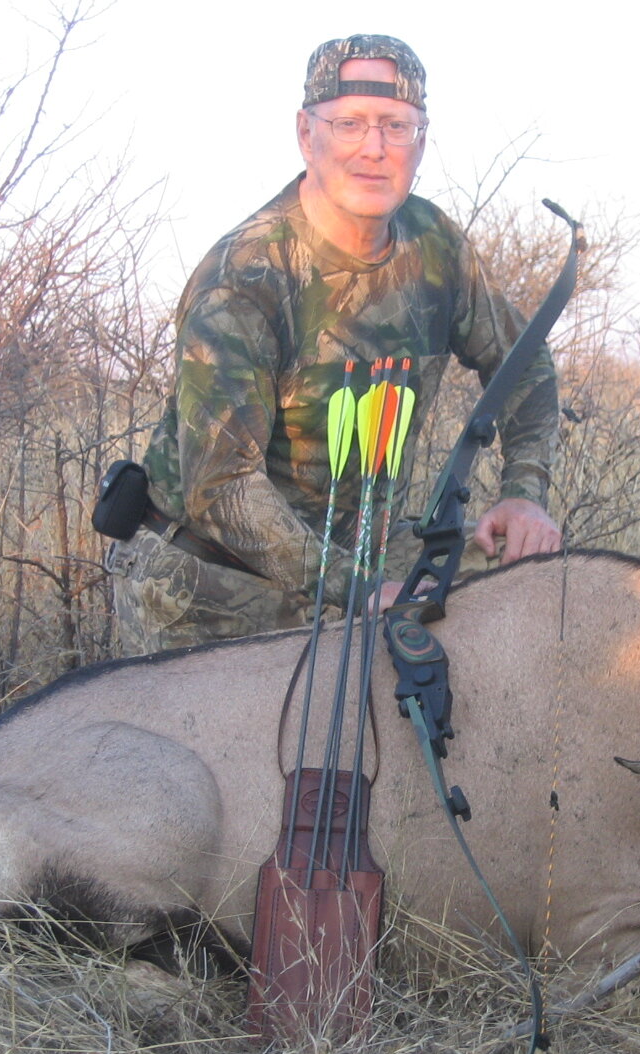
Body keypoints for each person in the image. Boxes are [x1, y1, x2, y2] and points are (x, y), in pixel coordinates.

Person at [107, 34, 562, 655]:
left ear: (421, 140)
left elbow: (525, 361)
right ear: (306, 134)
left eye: (396, 126)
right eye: (348, 123)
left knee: (525, 570)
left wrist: (522, 494)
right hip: (208, 577)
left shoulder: (435, 245)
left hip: (358, 561)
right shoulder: (244, 276)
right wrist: (360, 590)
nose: (373, 149)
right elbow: (221, 489)